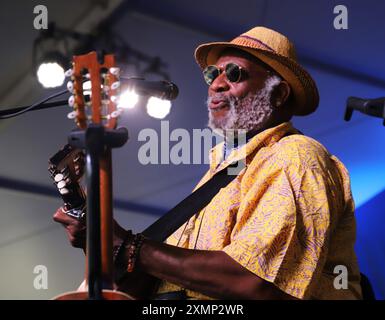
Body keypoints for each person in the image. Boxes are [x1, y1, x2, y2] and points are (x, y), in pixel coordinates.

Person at [53, 26, 362, 300]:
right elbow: (161, 284)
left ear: (279, 94)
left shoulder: (296, 156)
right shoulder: (223, 172)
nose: (217, 84)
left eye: (235, 73)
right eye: (213, 74)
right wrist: (99, 239)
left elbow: (254, 282)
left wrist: (130, 246)